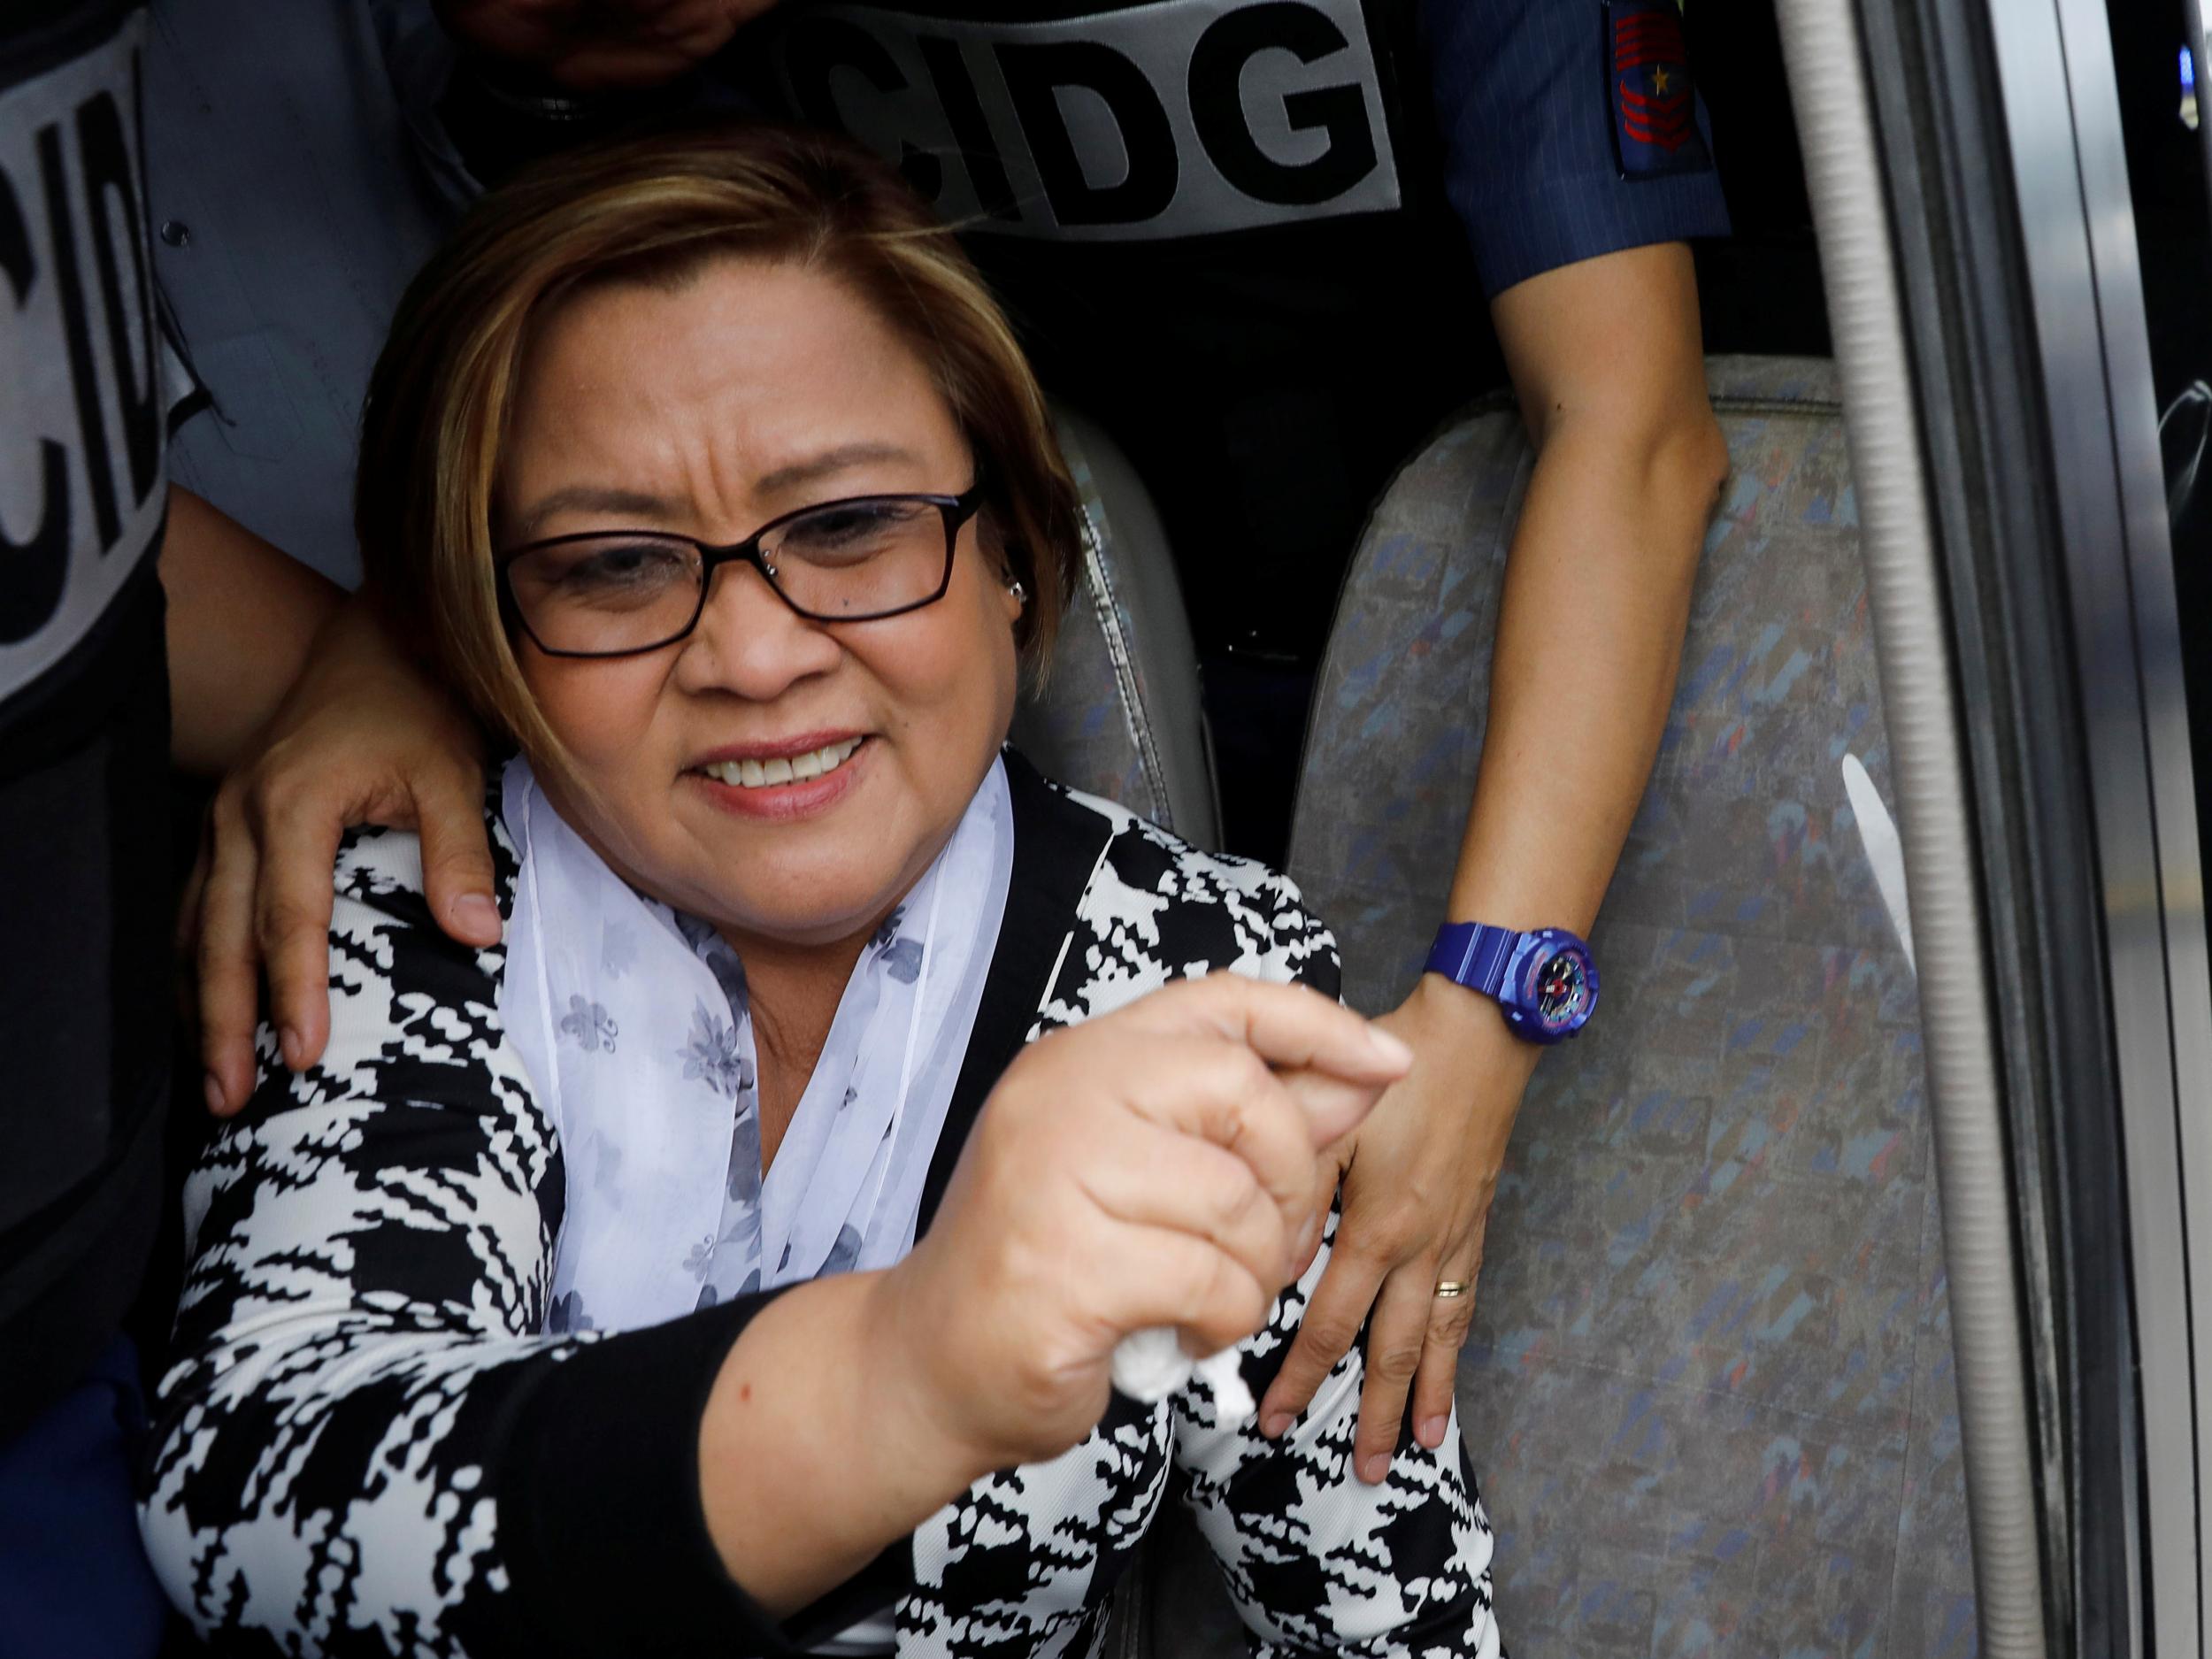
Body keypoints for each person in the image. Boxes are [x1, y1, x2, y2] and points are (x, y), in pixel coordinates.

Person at [164, 0, 1731, 1487]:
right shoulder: (419, 930)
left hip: (1477, 709)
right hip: (995, 674)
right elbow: (584, 425)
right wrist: (386, 653)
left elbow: (1633, 425)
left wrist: (1494, 1003)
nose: (753, 654)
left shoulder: (1190, 947)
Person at [0, 3, 350, 1651]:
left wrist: (372, 679)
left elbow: (71, 536)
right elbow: (303, 1513)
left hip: (58, 1316)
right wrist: (910, 1374)